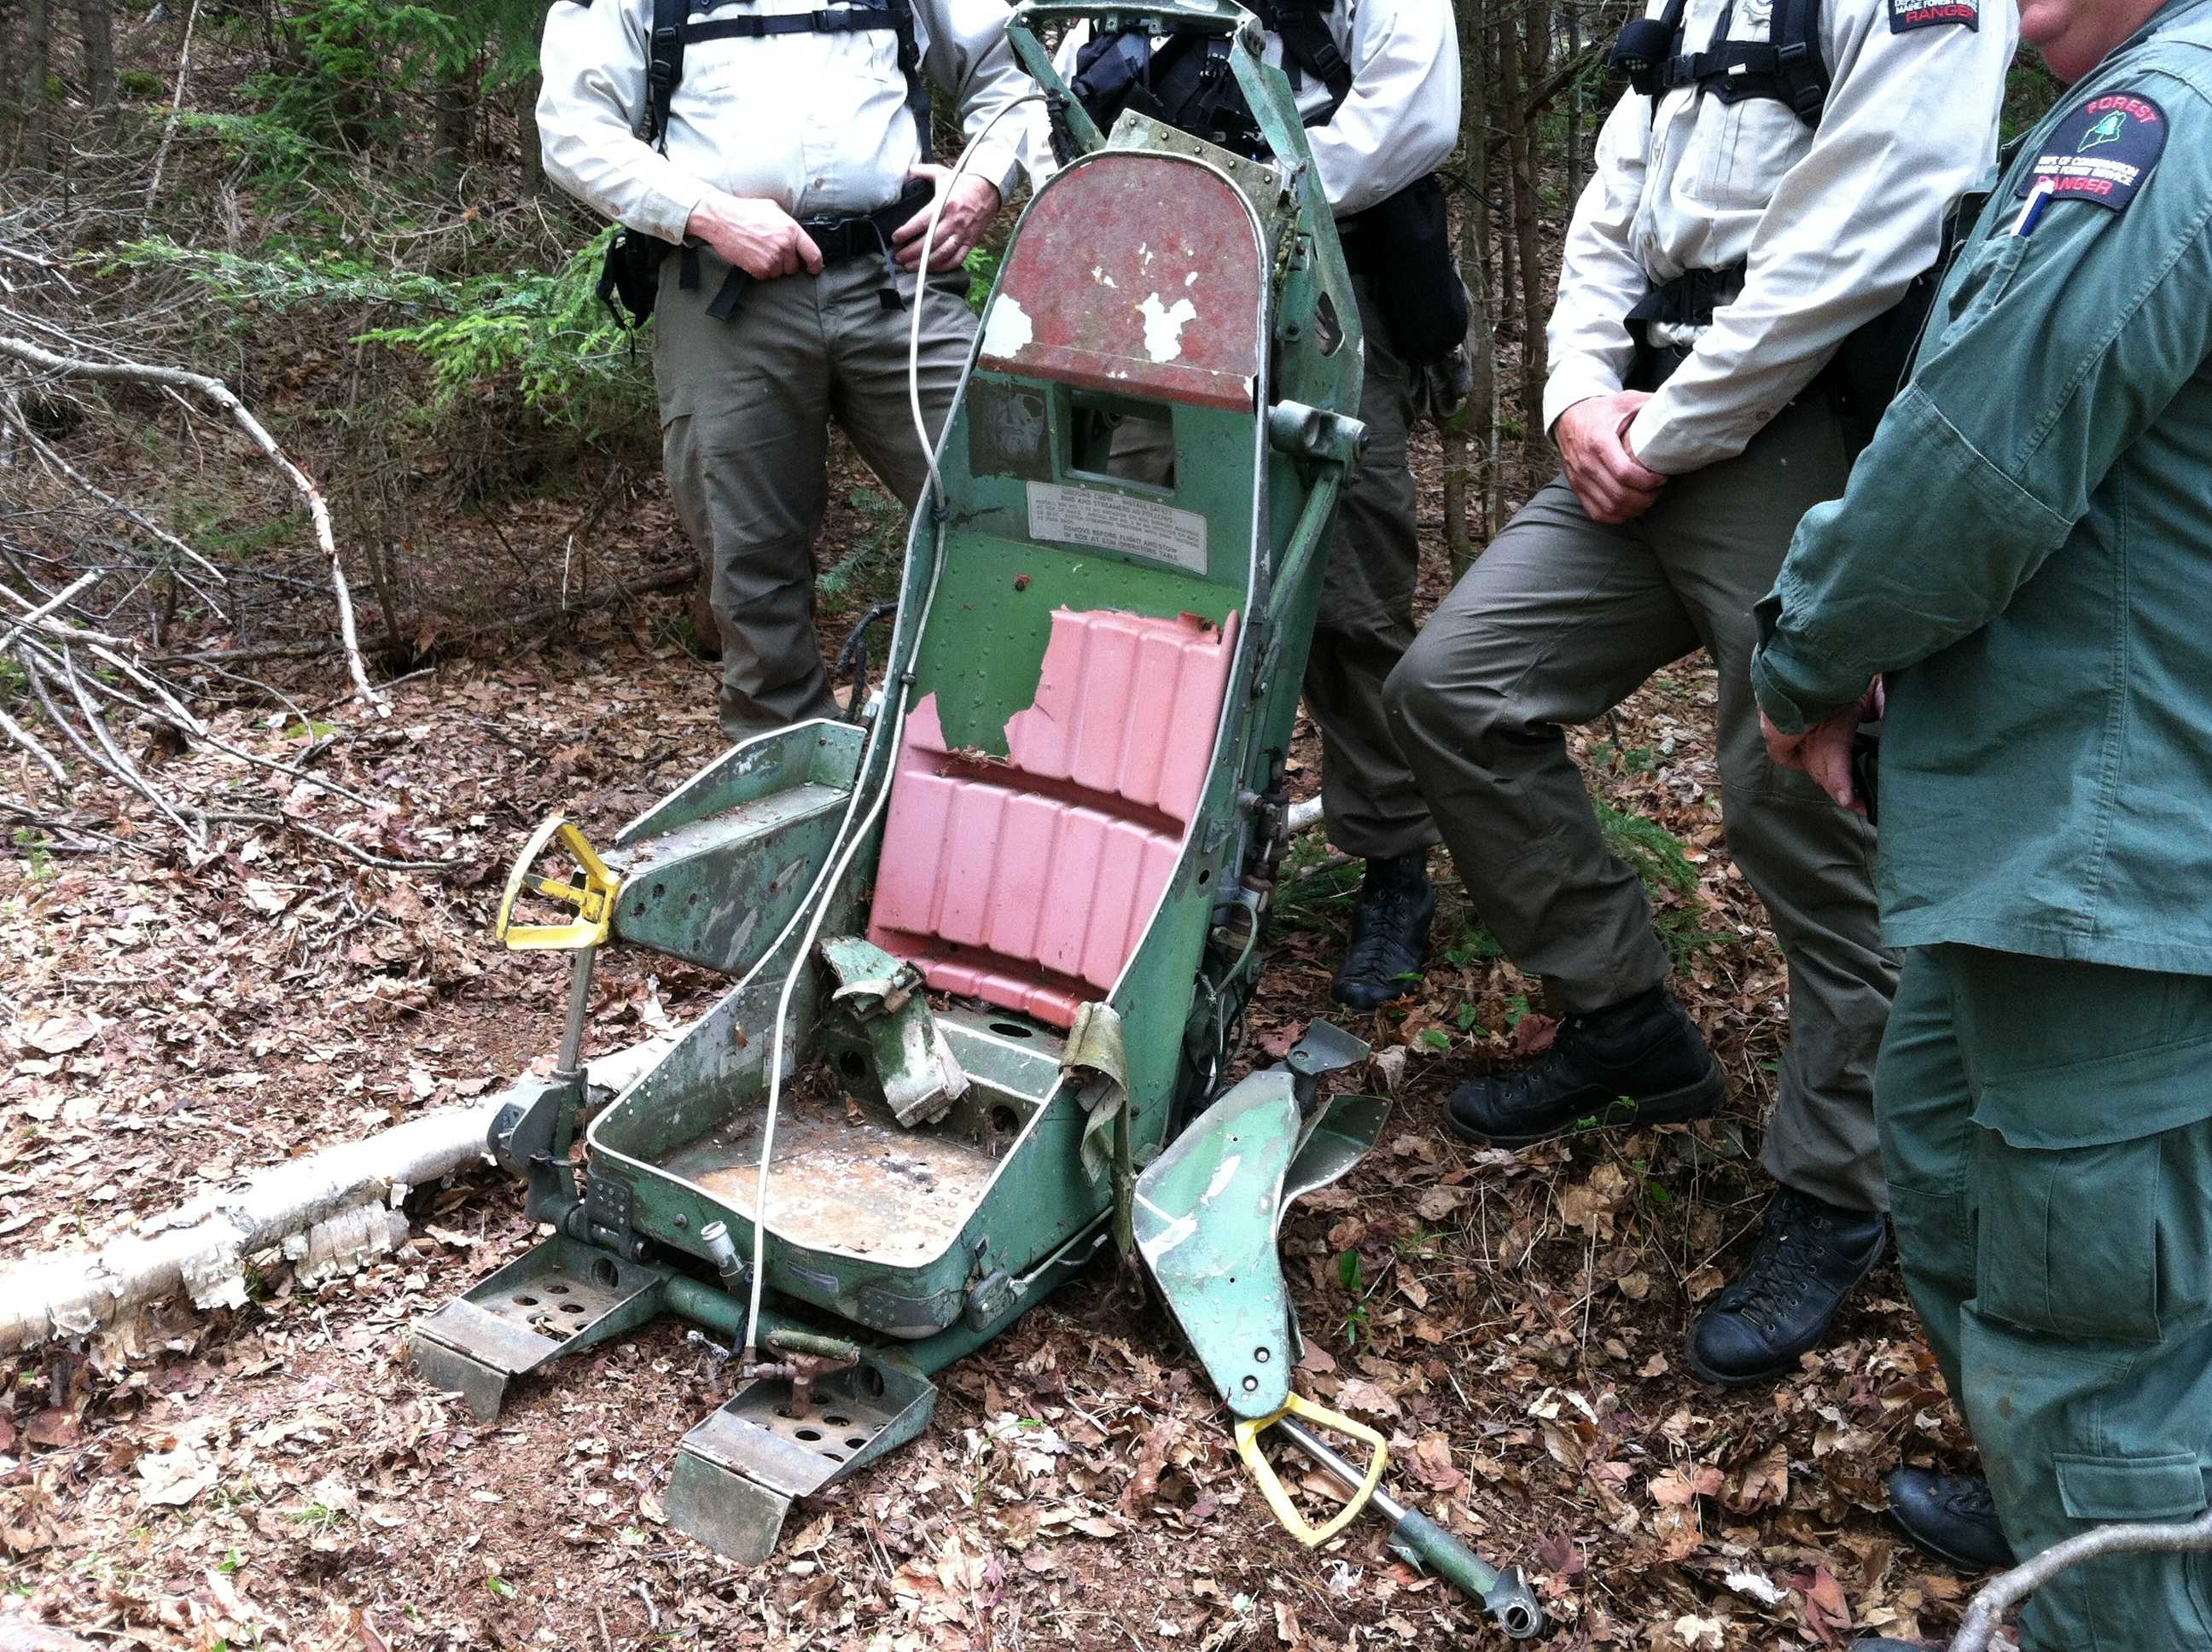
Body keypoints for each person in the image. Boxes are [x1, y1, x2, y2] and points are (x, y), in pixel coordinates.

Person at [1379, 0, 2014, 1384]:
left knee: (1795, 792)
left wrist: (1662, 430)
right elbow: (1612, 209)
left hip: (1796, 432)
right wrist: (1573, 400)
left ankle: (1847, 1187)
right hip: (1638, 434)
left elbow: (1860, 237)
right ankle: (1625, 1020)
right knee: (1451, 687)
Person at [1751, 0, 2212, 1637]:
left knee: (2102, 1366)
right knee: (1950, 1180)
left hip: (2117, 861)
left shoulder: (2159, 123)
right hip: (2054, 852)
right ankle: (2068, 1557)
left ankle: (2114, 1576)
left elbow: (1971, 462)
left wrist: (1808, 654)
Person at [1058, 1, 1463, 1010]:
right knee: (1155, 566)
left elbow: (1410, 119)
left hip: (1325, 279)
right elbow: (1070, 85)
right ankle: (1147, 847)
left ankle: (1393, 868)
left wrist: (1247, 202)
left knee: (1349, 592)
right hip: (1167, 290)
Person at [538, 0, 1049, 742]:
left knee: (1009, 500)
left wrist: (985, 182)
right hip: (722, 296)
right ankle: (786, 780)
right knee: (750, 562)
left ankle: (1001, 745)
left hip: (898, 275)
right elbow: (573, 129)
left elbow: (1015, 72)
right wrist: (710, 213)